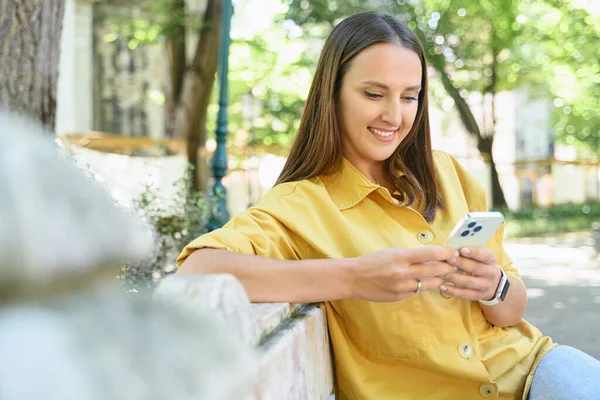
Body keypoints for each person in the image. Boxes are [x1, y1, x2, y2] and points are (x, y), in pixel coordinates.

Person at [176, 11, 600, 400]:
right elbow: (197, 268)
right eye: (374, 94)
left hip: (538, 373)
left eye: (409, 96)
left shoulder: (448, 173)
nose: (394, 117)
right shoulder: (300, 204)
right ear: (333, 93)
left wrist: (493, 287)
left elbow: (512, 311)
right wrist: (353, 278)